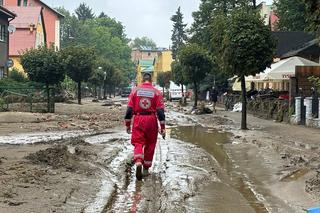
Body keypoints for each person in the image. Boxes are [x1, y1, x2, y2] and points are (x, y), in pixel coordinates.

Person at [124, 72, 166, 181]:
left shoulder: (135, 91)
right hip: (151, 120)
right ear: (151, 80)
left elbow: (129, 110)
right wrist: (163, 127)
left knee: (138, 142)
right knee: (150, 144)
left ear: (142, 80)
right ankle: (146, 169)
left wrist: (128, 125)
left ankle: (138, 161)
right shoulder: (157, 92)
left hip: (138, 119)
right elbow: (160, 112)